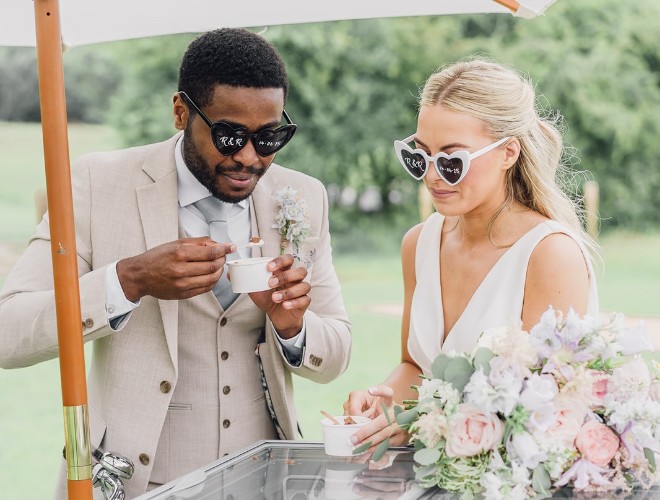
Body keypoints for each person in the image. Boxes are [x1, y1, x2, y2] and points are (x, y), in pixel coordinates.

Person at [0, 28, 351, 498]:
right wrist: (128, 280)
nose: (249, 157)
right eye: (229, 136)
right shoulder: (95, 184)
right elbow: (9, 331)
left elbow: (336, 353)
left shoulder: (304, 195)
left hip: (265, 479)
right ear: (181, 112)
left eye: (269, 138)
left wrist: (293, 327)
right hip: (136, 480)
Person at [344, 58, 598, 452]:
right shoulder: (417, 244)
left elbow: (550, 408)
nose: (431, 175)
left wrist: (423, 420)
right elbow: (416, 367)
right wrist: (386, 400)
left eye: (451, 160)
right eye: (420, 155)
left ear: (508, 153)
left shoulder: (550, 255)